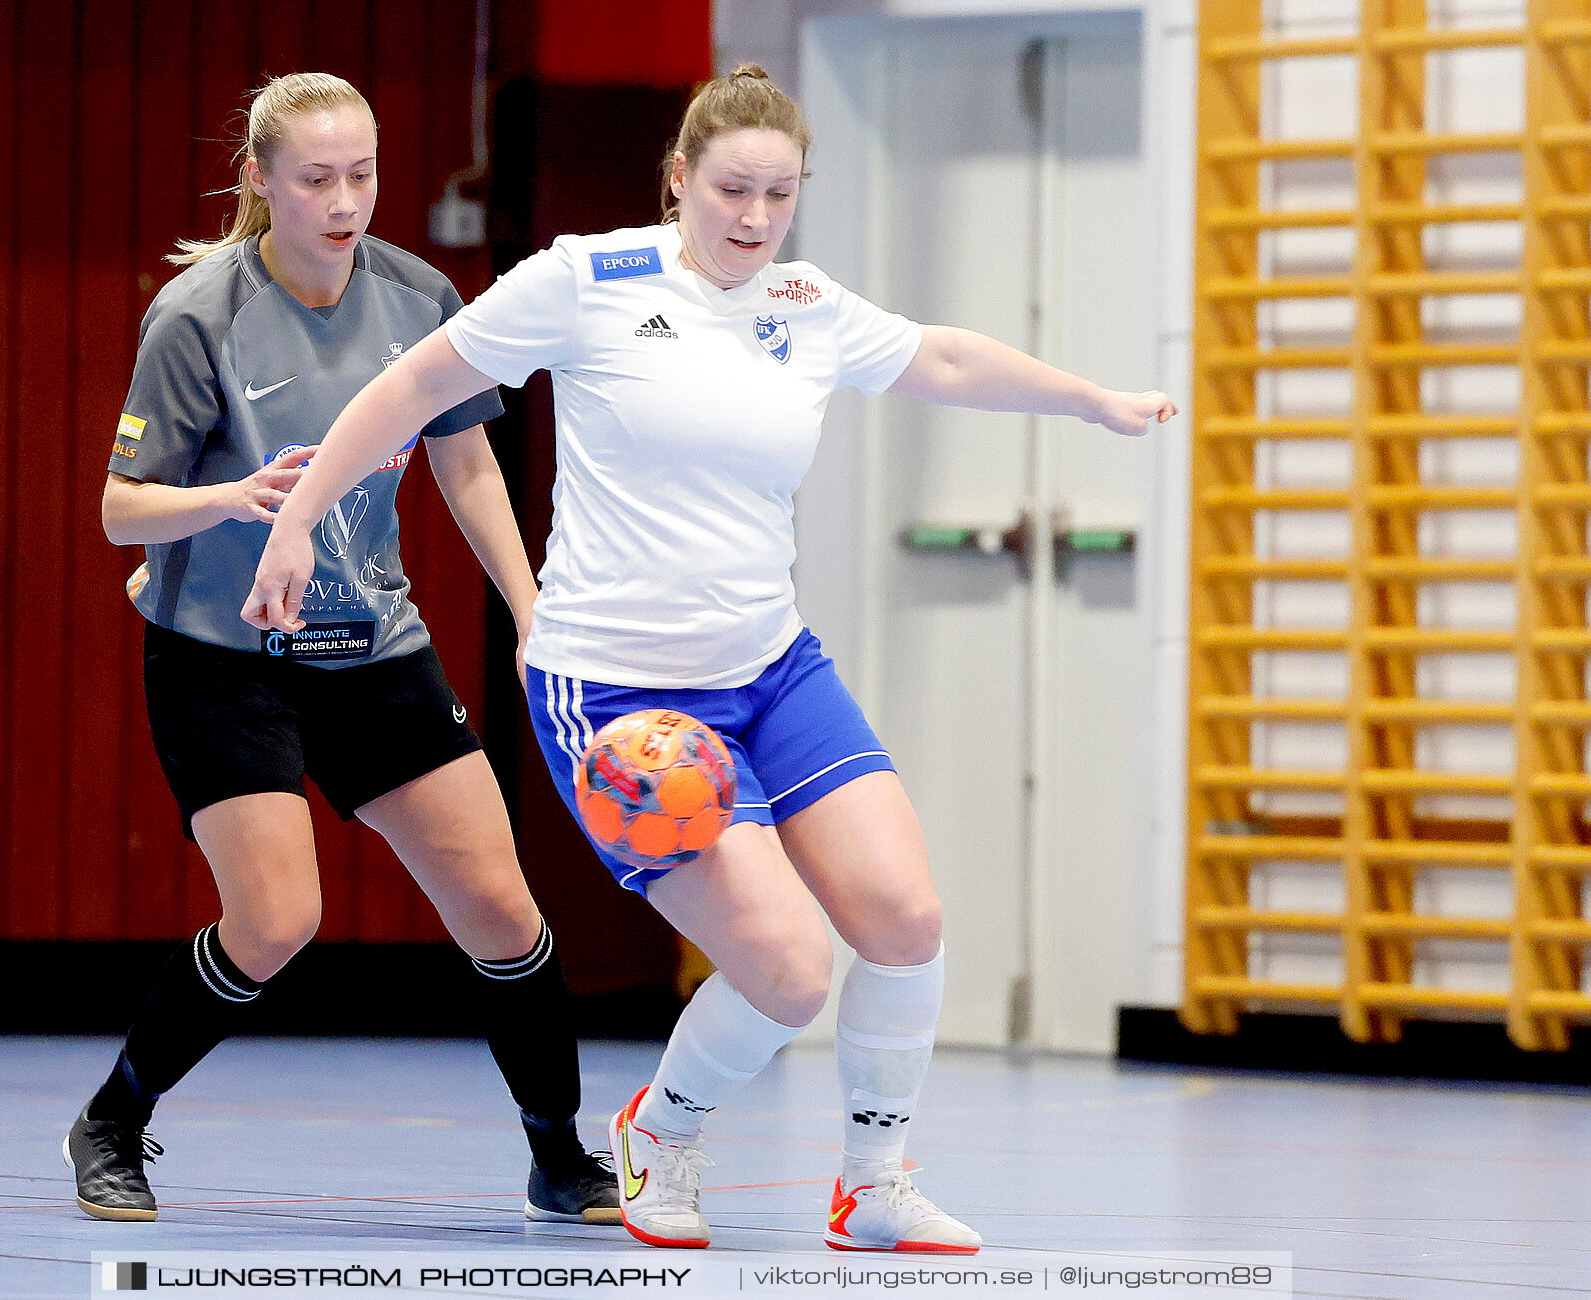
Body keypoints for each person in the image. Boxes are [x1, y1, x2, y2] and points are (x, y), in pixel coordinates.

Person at [244, 65, 1176, 1253]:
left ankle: (873, 1182)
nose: (753, 216)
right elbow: (418, 384)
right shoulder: (587, 280)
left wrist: (1090, 401)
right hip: (620, 691)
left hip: (772, 668)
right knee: (787, 974)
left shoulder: (803, 299)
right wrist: (298, 516)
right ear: (679, 178)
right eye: (732, 188)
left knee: (903, 915)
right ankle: (663, 1133)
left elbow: (939, 359)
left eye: (779, 194)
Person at [64, 72, 617, 1227]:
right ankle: (114, 1117)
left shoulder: (420, 296)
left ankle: (559, 1153)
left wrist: (531, 612)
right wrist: (224, 501)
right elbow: (121, 509)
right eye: (316, 177)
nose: (344, 198)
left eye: (362, 172)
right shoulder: (197, 315)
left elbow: (467, 461)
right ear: (260, 181)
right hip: (223, 659)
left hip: (374, 649)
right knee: (276, 920)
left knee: (502, 913)